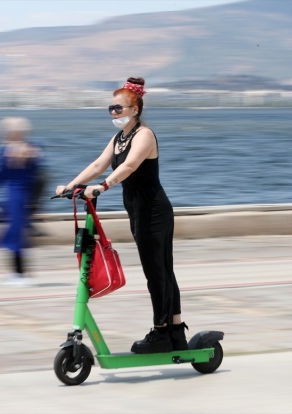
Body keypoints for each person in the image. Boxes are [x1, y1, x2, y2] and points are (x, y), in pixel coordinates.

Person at [55, 77, 188, 354]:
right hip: (137, 210)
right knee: (161, 269)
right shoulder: (118, 138)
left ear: (135, 109)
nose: (114, 113)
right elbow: (98, 164)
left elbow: (129, 166)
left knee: (157, 271)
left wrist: (103, 187)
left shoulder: (144, 135)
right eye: (111, 109)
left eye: (119, 108)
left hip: (154, 210)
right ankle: (175, 331)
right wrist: (71, 186)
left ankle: (162, 332)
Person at [0, 117, 43, 286]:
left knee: (14, 234)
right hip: (23, 197)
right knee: (16, 234)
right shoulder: (31, 149)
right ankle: (19, 273)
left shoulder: (9, 151)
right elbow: (38, 175)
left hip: (15, 197)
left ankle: (18, 275)